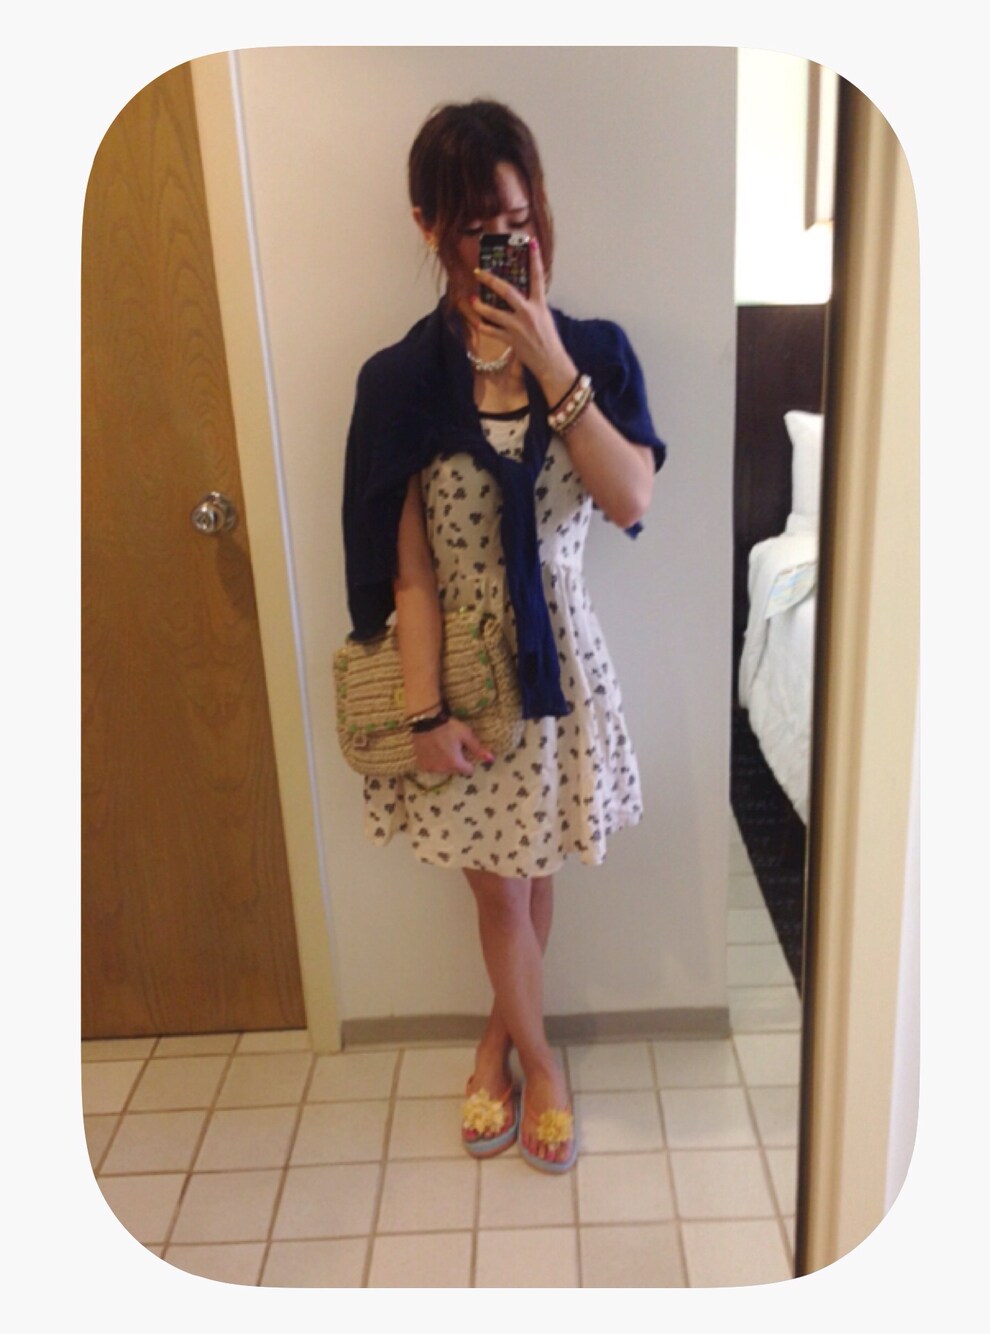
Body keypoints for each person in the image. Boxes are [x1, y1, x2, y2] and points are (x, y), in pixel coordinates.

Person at [342, 99, 666, 1173]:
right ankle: (542, 1060)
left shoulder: (595, 353)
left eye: (517, 224)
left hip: (561, 667)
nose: (502, 246)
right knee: (497, 888)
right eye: (476, 229)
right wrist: (423, 715)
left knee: (527, 873)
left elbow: (630, 499)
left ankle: (498, 1043)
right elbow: (409, 574)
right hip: (466, 678)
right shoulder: (401, 383)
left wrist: (550, 363)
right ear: (427, 226)